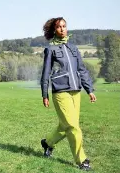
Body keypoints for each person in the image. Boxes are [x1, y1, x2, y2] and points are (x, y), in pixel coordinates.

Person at [40, 17, 97, 171]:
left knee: (65, 126)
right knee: (73, 126)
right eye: (59, 27)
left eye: (64, 26)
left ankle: (48, 143)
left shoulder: (73, 48)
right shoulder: (50, 49)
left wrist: (89, 90)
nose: (62, 29)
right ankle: (82, 160)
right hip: (60, 92)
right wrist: (44, 94)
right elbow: (46, 73)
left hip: (75, 91)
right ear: (54, 30)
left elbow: (82, 70)